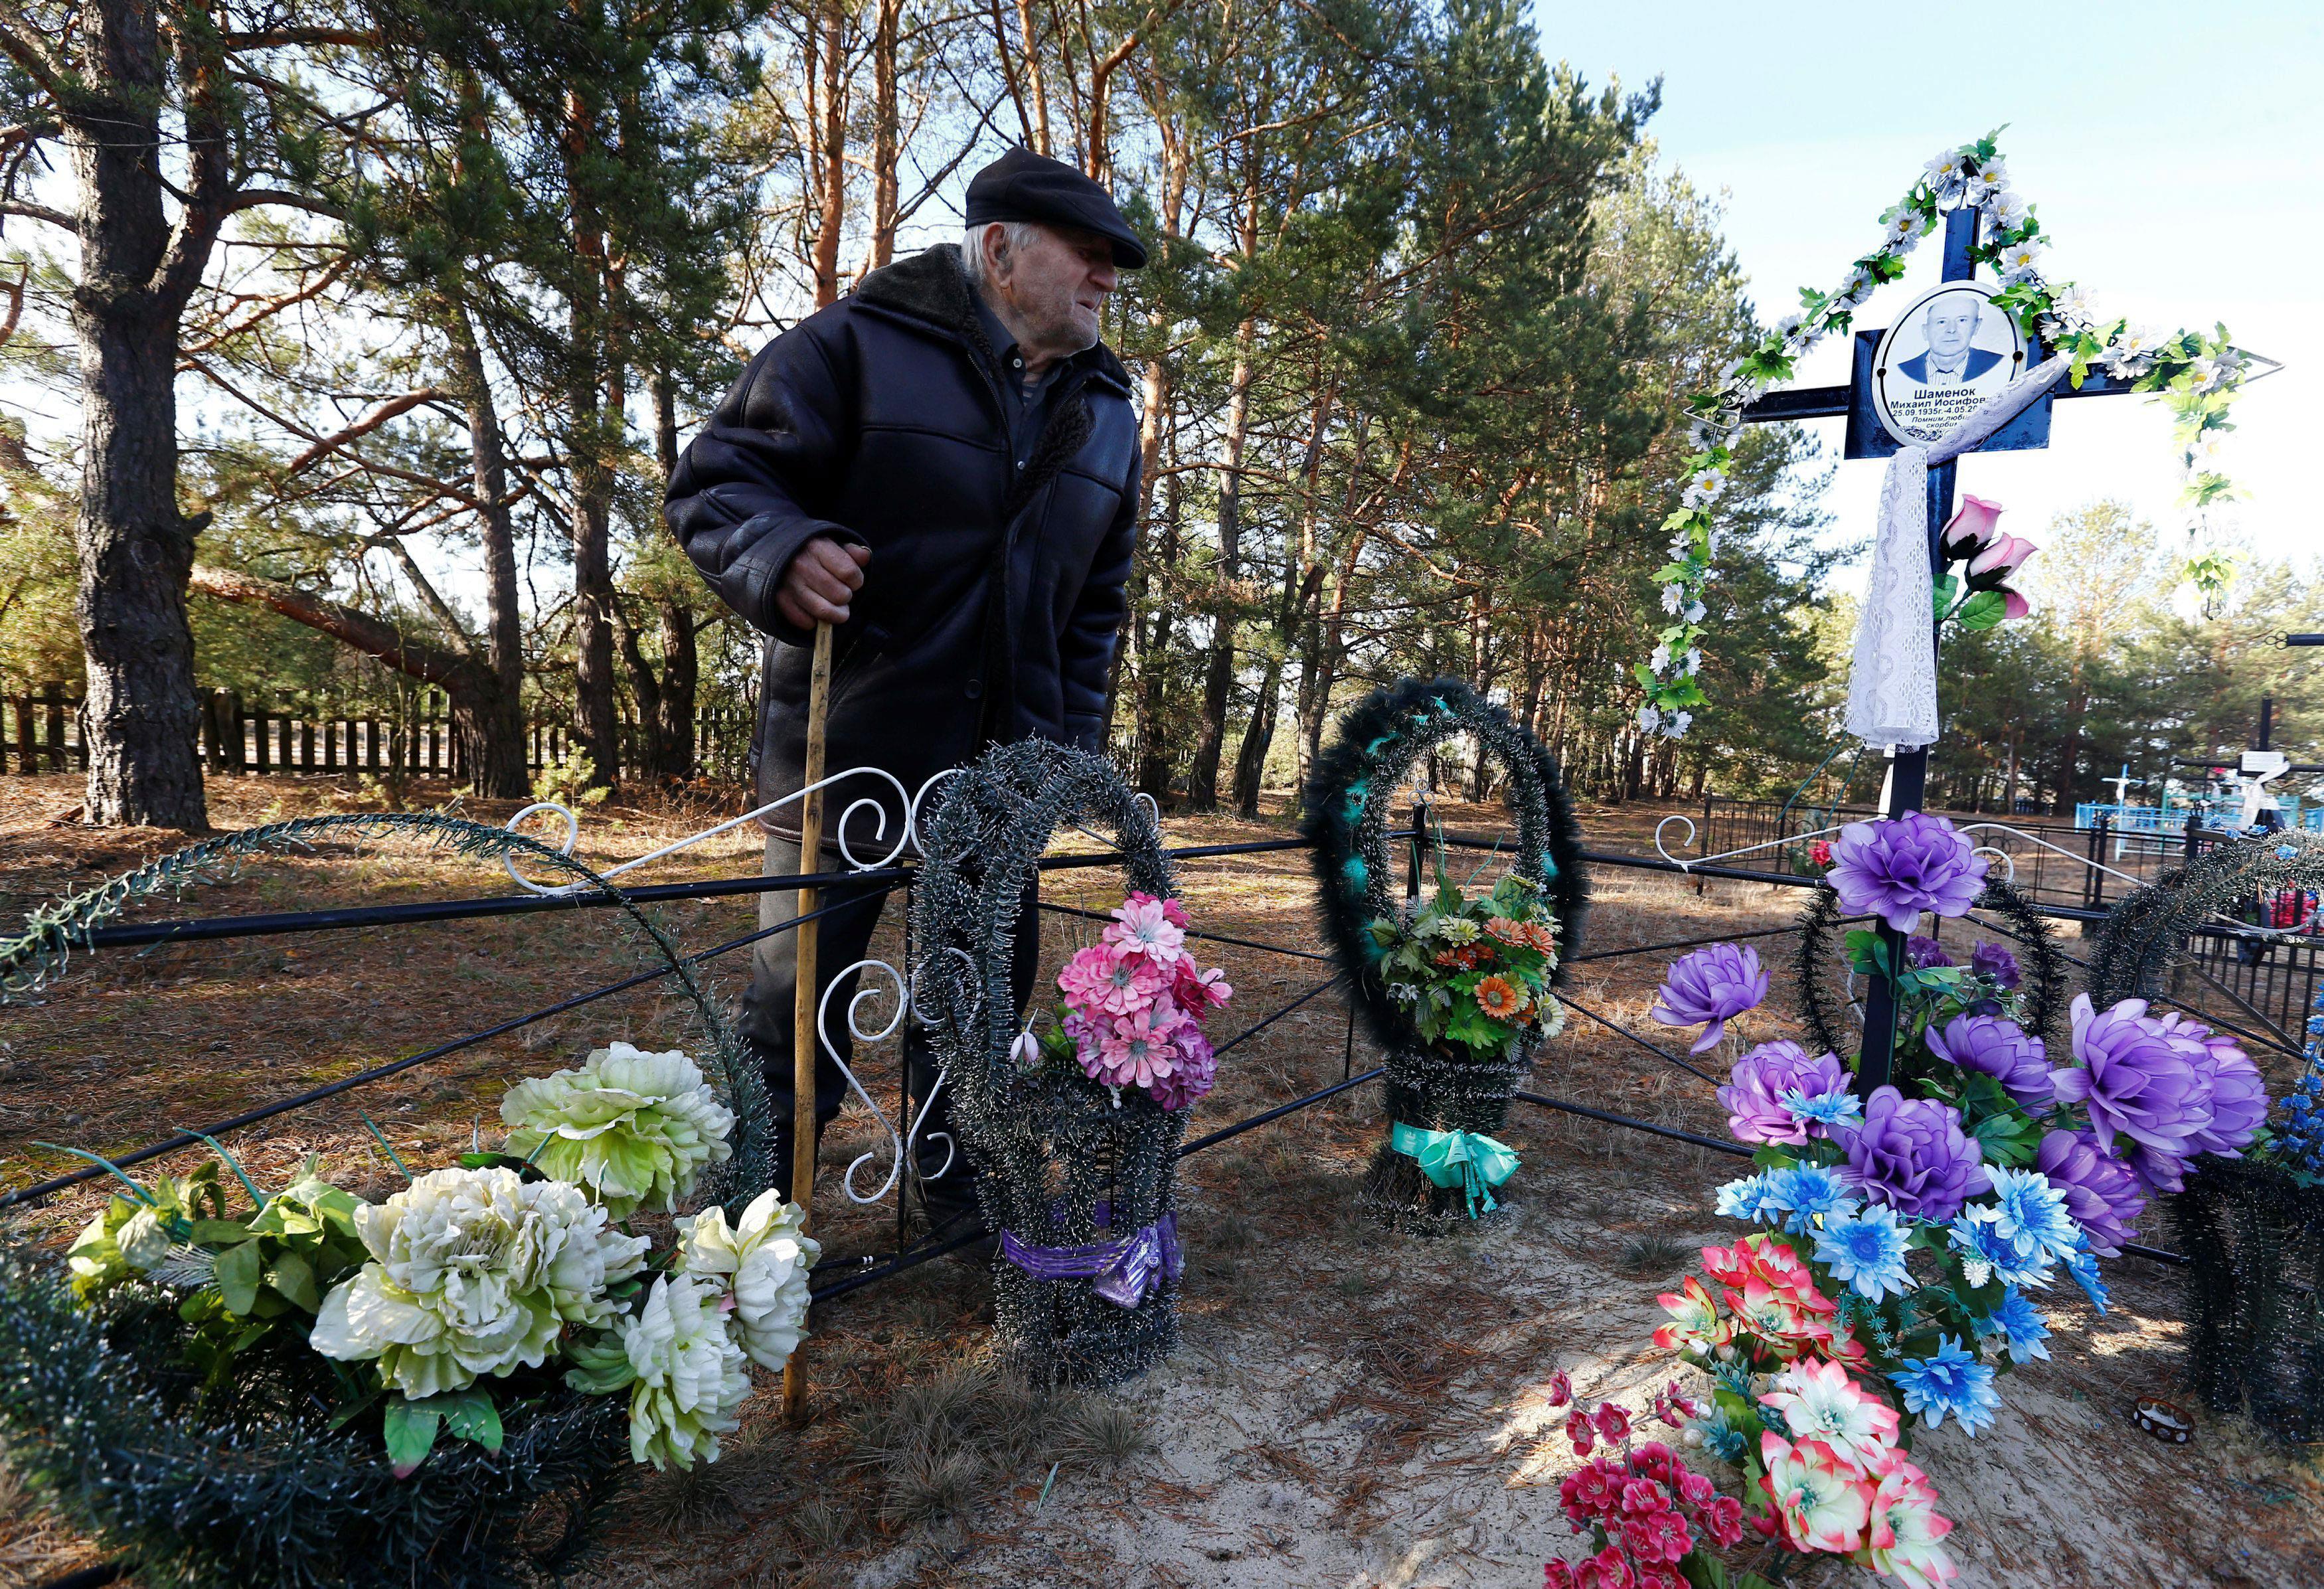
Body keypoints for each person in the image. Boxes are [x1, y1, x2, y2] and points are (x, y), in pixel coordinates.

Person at [664, 147, 1147, 1244]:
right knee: (797, 1005)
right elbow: (715, 480)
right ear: (1000, 249)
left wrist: (1063, 756)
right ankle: (751, 1220)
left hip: (1001, 773)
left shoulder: (1111, 411)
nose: (1108, 279)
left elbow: (1094, 608)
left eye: (1115, 262)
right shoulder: (855, 349)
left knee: (976, 1000)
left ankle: (955, 1193)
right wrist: (780, 549)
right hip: (848, 755)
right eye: (1090, 254)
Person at [1896, 291, 2001, 386]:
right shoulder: (1900, 372)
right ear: (1925, 331)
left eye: (1962, 320)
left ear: (1977, 326)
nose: (1951, 330)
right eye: (1942, 322)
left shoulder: (1998, 365)